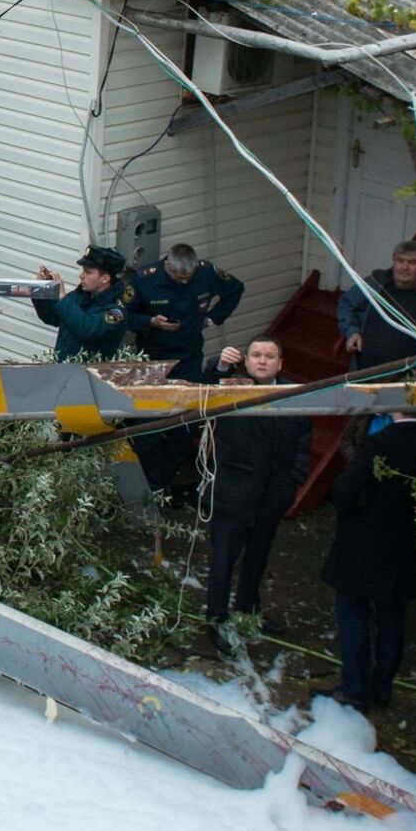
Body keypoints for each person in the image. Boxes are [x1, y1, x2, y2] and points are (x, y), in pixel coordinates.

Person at [321, 412, 416, 711]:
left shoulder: (381, 443)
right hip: (407, 547)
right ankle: (381, 687)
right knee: (392, 617)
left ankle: (354, 688)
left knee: (353, 613)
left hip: (365, 544)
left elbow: (344, 490)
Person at [199, 336, 312, 640]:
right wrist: (221, 364)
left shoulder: (294, 395)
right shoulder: (231, 389)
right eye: (257, 355)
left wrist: (294, 482)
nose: (263, 361)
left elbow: (303, 444)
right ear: (246, 362)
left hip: (272, 496)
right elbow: (209, 382)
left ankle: (249, 611)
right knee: (223, 561)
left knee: (257, 560)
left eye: (270, 356)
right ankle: (216, 619)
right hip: (233, 494)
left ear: (280, 363)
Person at [126, 242, 243, 381]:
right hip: (153, 356)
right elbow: (125, 316)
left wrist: (212, 318)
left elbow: (235, 290)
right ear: (167, 266)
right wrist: (151, 322)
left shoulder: (207, 272)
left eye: (189, 277)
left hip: (189, 356)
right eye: (180, 278)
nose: (185, 282)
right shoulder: (144, 280)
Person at [338, 240, 416, 370]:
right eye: (400, 260)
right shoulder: (377, 281)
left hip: (409, 380)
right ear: (393, 261)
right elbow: (346, 303)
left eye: (413, 263)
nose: (404, 267)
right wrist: (352, 332)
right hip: (365, 373)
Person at [31, 247, 134, 360]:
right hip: (64, 368)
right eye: (83, 270)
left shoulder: (116, 312)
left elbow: (86, 330)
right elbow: (51, 317)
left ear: (105, 278)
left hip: (89, 374)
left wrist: (63, 298)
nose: (81, 275)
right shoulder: (81, 295)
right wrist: (40, 290)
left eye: (88, 272)